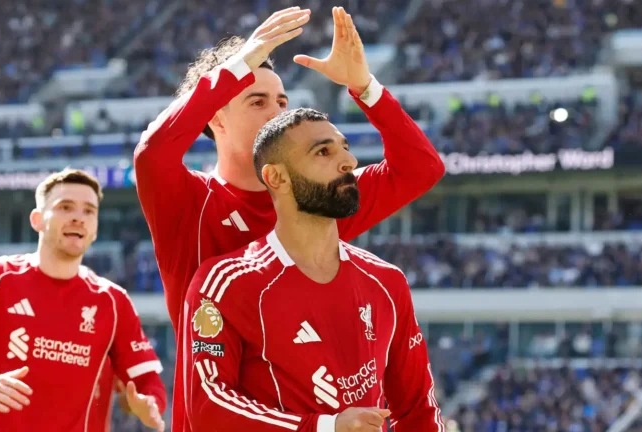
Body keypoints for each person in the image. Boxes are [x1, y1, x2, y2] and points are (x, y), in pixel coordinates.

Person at [135, 7, 444, 431]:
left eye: (282, 101)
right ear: (215, 117)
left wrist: (364, 87)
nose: (277, 112)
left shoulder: (316, 196)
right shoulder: (189, 201)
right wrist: (238, 65)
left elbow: (420, 168)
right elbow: (152, 153)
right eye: (257, 101)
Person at [181, 107, 443, 431]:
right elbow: (209, 407)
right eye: (323, 152)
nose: (349, 162)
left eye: (345, 148)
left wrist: (367, 89)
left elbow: (418, 410)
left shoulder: (387, 281)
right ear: (276, 177)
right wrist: (325, 427)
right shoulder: (224, 284)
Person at [0, 169, 168, 431]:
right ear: (37, 220)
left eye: (89, 211)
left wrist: (149, 403)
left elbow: (147, 381)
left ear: (95, 229)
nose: (78, 217)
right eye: (65, 207)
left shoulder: (113, 301)